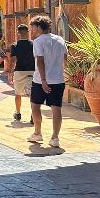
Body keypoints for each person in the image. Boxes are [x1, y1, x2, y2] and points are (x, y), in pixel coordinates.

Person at [28, 15, 67, 147]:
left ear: (39, 27)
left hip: (40, 80)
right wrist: (63, 73)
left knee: (35, 105)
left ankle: (37, 133)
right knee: (56, 108)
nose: (32, 30)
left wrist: (44, 79)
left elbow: (40, 61)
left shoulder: (38, 41)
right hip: (58, 79)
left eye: (33, 27)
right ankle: (55, 138)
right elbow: (65, 58)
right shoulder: (60, 39)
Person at [8, 24, 35, 124]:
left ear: (18, 33)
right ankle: (33, 114)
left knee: (18, 93)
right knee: (32, 94)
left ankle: (18, 113)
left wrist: (10, 72)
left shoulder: (15, 45)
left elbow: (13, 60)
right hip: (32, 70)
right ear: (28, 32)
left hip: (19, 71)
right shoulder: (33, 44)